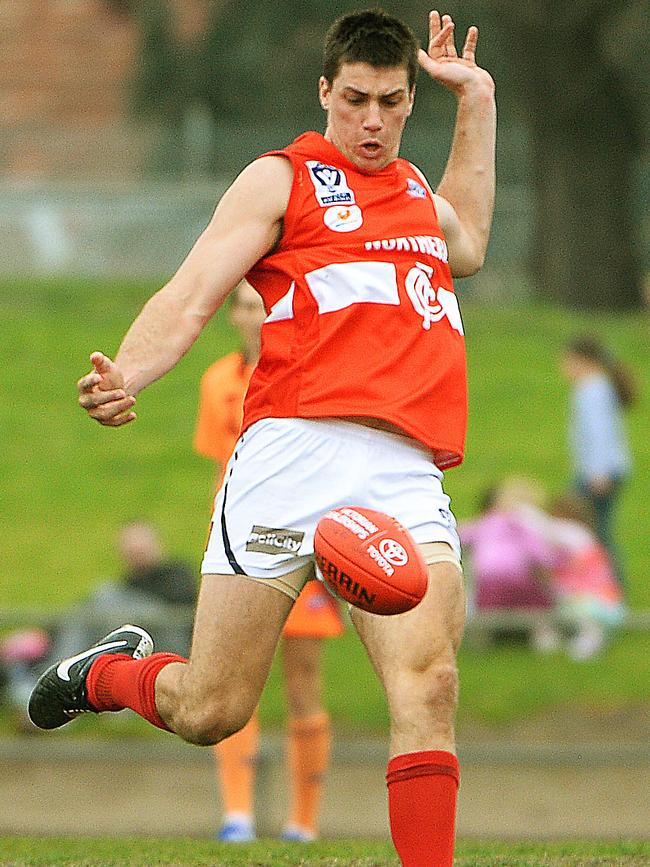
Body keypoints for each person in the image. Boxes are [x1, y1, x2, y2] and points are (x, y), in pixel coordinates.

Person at [30, 10, 496, 865]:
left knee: (429, 685)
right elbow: (192, 291)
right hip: (288, 459)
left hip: (399, 472)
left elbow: (466, 241)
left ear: (406, 104)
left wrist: (478, 101)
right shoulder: (281, 180)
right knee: (212, 710)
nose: (371, 121)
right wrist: (126, 373)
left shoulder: (419, 196)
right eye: (353, 99)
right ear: (325, 91)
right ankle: (108, 673)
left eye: (391, 103)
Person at [194, 280, 345, 842]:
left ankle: (302, 823)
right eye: (247, 306)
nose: (256, 317)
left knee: (303, 679)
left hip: (298, 542)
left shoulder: (313, 371)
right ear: (232, 315)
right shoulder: (218, 381)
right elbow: (220, 467)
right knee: (230, 677)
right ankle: (237, 816)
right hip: (237, 541)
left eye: (266, 306)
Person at [560, 335, 637, 588]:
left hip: (598, 475)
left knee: (596, 534)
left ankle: (610, 589)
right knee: (595, 531)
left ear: (584, 362)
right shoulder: (598, 387)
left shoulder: (591, 390)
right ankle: (602, 587)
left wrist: (598, 473)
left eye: (568, 361)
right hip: (603, 471)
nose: (564, 368)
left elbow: (599, 433)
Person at [458, 478, 559, 652]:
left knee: (486, 607)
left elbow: (460, 535)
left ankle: (481, 640)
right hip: (519, 584)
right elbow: (543, 557)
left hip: (489, 585)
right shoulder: (524, 526)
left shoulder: (485, 523)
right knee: (542, 603)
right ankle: (543, 637)